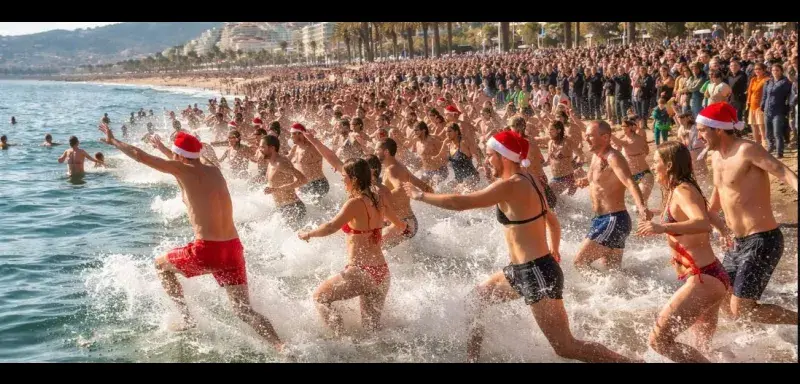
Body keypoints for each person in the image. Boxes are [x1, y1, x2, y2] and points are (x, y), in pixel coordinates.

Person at [403, 130, 638, 363]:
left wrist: (420, 195)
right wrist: (554, 250)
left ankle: (630, 363)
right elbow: (552, 221)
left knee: (566, 347)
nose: (486, 160)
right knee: (475, 300)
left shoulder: (511, 185)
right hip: (524, 270)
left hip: (535, 272)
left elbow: (459, 203)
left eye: (489, 155)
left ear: (504, 157)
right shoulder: (530, 178)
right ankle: (472, 359)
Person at [96, 124, 287, 353]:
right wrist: (168, 151)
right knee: (244, 310)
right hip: (233, 249)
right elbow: (185, 164)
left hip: (207, 250)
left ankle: (187, 318)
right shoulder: (213, 170)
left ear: (178, 157)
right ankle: (281, 346)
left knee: (161, 266)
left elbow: (140, 156)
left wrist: (114, 141)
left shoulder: (182, 171)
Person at [696, 103, 798, 326]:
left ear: (719, 129)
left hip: (762, 240)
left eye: (702, 130)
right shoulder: (717, 158)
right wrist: (714, 223)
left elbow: (782, 170)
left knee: (741, 309)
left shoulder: (746, 150)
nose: (699, 135)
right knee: (720, 298)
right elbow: (717, 199)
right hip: (737, 243)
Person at [637, 142, 730, 363]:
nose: (653, 165)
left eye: (656, 161)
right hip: (710, 275)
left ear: (668, 165)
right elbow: (704, 211)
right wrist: (725, 231)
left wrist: (663, 227)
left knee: (658, 341)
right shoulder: (681, 188)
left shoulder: (683, 190)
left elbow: (701, 222)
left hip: (704, 278)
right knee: (703, 349)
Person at [298, 158, 406, 337]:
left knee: (320, 298)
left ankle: (342, 344)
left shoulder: (354, 203)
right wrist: (376, 234)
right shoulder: (379, 199)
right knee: (371, 333)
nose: (342, 181)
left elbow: (332, 226)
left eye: (344, 177)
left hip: (361, 271)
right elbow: (400, 226)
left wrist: (308, 234)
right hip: (382, 273)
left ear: (354, 179)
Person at [573, 121, 651, 272]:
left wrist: (641, 206)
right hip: (607, 220)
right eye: (586, 135)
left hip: (612, 220)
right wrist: (585, 181)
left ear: (605, 137)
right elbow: (599, 181)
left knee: (579, 263)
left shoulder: (613, 157)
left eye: (590, 136)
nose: (586, 139)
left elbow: (629, 182)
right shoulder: (596, 156)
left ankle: (597, 292)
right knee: (612, 273)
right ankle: (620, 294)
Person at [259, 135, 308, 230]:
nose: (260, 149)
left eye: (262, 147)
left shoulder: (280, 163)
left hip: (293, 207)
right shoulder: (270, 163)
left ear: (272, 148)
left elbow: (303, 179)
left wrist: (277, 189)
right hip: (283, 208)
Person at [610, 118, 654, 204]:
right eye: (621, 126)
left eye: (624, 126)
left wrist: (609, 134)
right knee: (631, 203)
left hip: (644, 175)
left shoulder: (635, 139)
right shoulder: (626, 138)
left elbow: (619, 142)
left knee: (641, 203)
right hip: (630, 178)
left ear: (630, 127)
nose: (622, 128)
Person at [288, 123, 329, 199]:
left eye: (292, 134)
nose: (290, 137)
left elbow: (325, 154)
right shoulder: (295, 147)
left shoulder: (311, 147)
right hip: (304, 185)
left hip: (318, 183)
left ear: (299, 134)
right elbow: (287, 160)